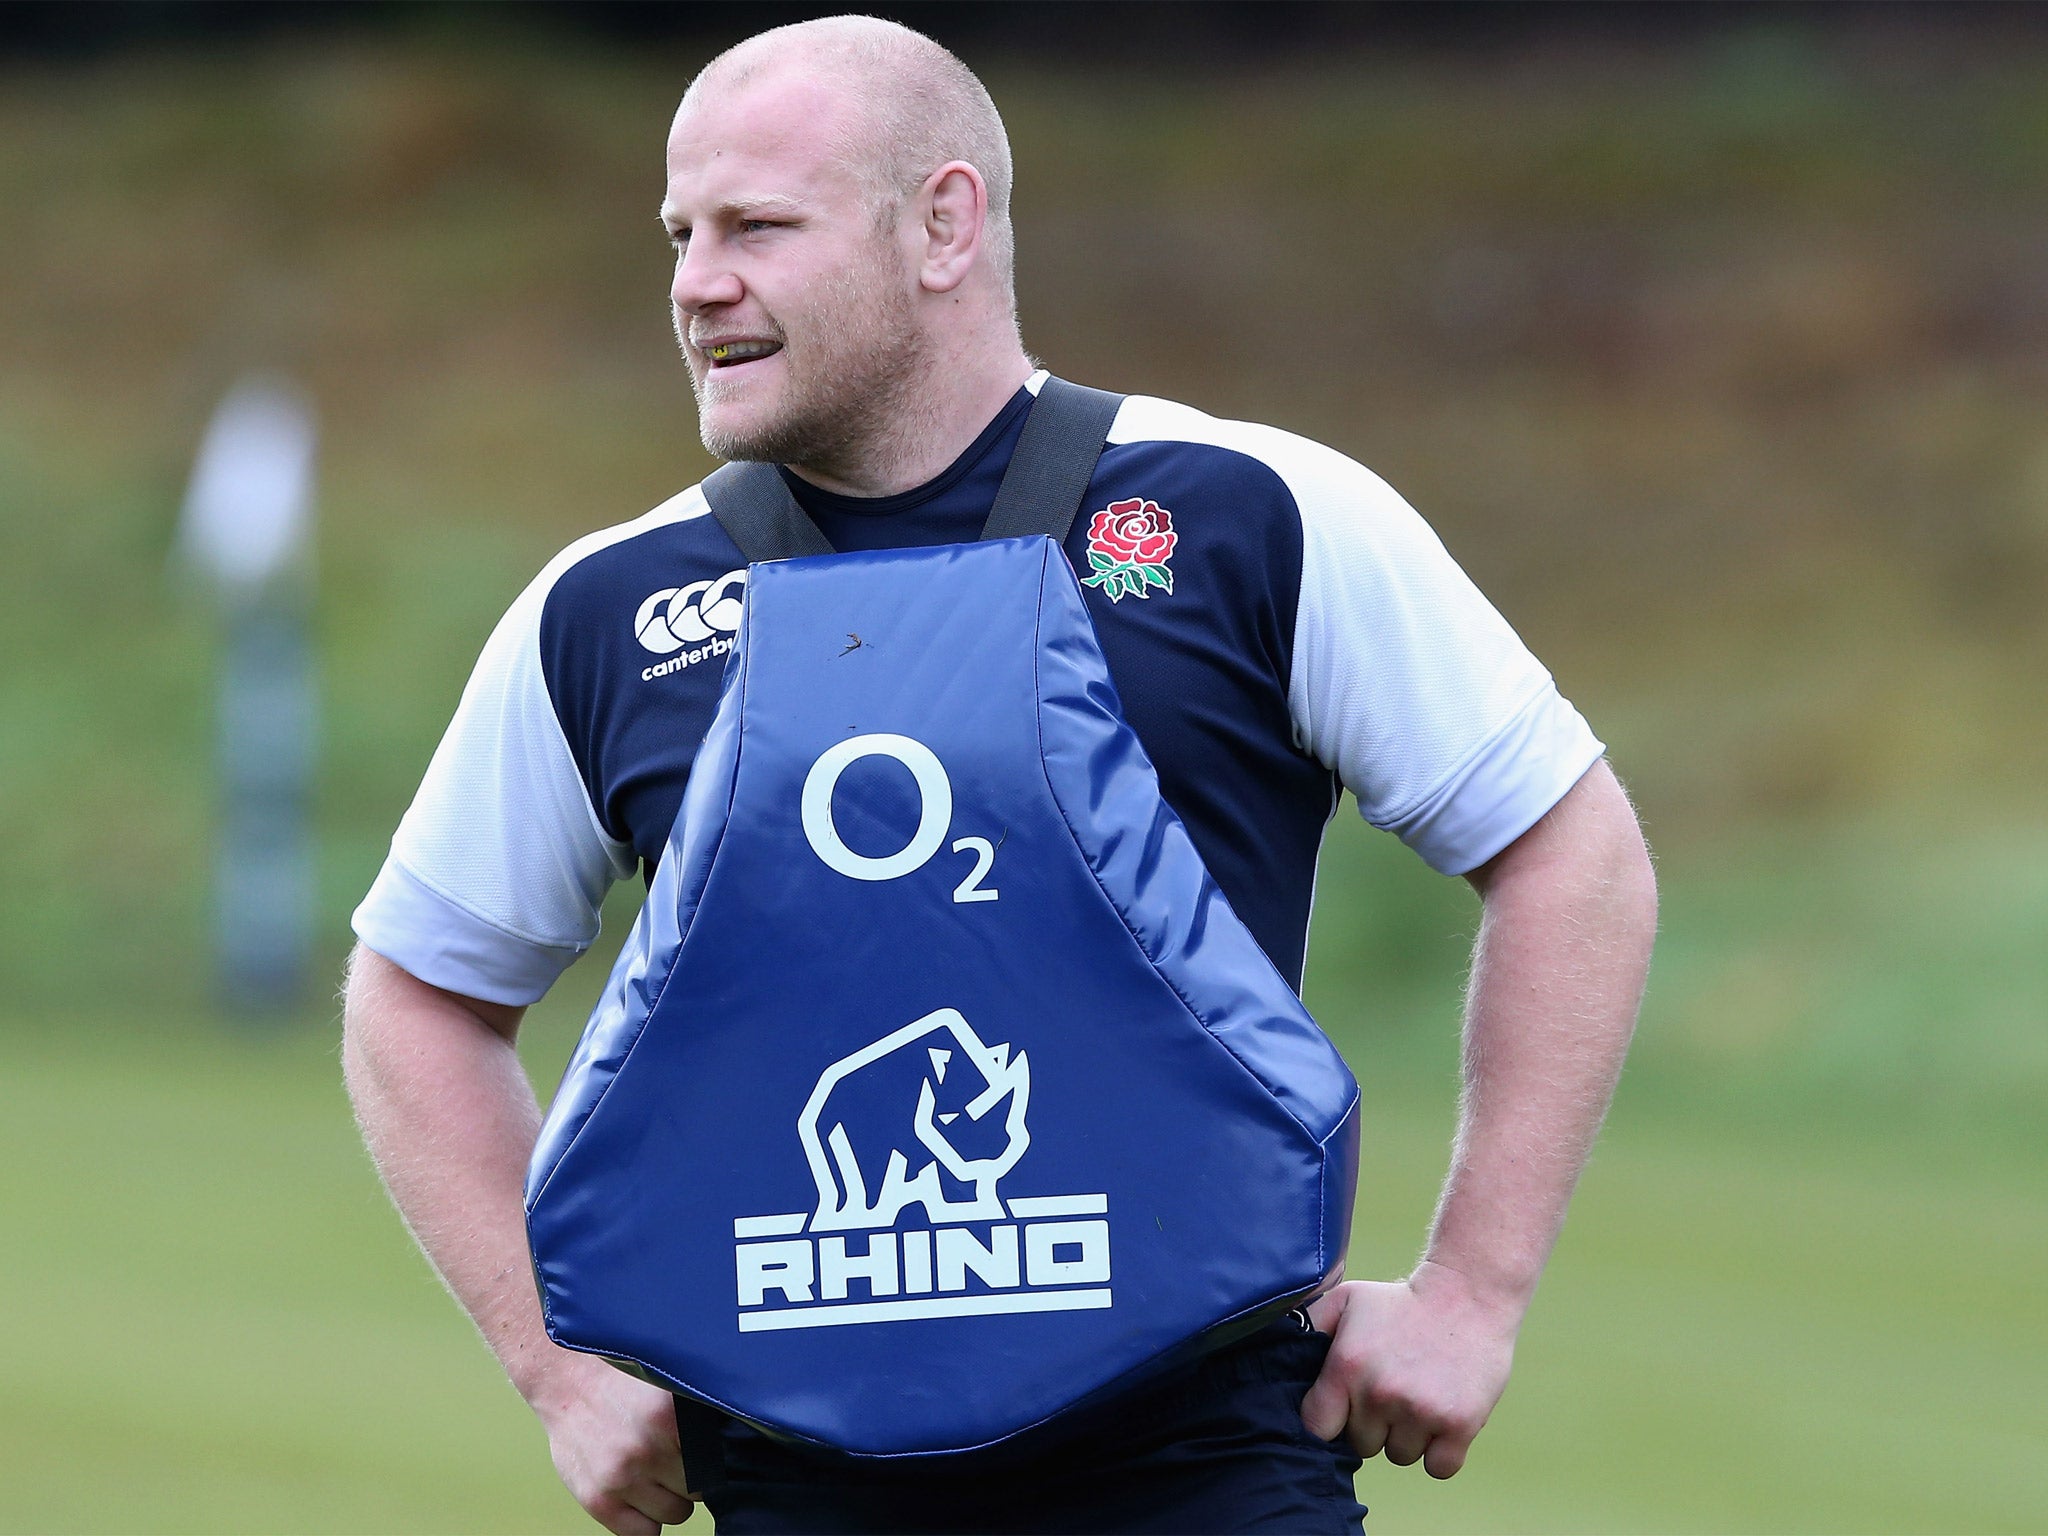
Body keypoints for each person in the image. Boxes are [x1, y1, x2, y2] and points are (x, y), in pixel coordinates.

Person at [343, 15, 1657, 1535]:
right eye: (681, 234)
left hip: (1203, 1467)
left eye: (758, 226)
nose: (698, 282)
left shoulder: (1247, 514)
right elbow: (418, 990)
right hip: (792, 1482)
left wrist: (1474, 1295)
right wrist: (557, 1363)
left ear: (943, 225)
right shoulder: (612, 608)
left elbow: (1573, 851)